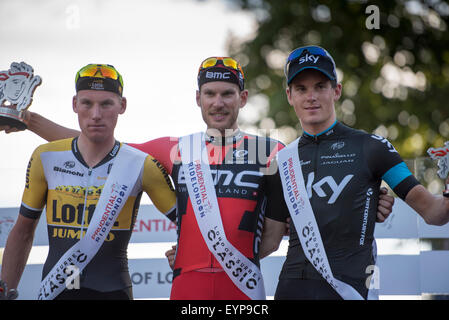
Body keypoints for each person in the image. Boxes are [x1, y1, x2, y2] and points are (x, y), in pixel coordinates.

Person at [0, 57, 394, 300]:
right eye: (210, 93)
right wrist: (27, 119)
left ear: (242, 98)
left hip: (243, 284)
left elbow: (330, 180)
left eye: (227, 93)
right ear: (198, 98)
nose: (218, 102)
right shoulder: (175, 147)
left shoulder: (270, 151)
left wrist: (377, 195)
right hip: (187, 285)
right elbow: (97, 142)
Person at [263, 45, 449, 300]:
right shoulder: (281, 161)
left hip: (349, 289)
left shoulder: (371, 147)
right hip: (292, 289)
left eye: (320, 86)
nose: (311, 96)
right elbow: (270, 240)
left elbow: (435, 213)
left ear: (336, 91)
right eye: (301, 88)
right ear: (289, 95)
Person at [0, 64, 176, 300]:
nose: (96, 114)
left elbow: (191, 224)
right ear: (75, 104)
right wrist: (5, 289)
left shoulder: (141, 165)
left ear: (121, 106)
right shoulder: (46, 156)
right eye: (87, 103)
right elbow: (22, 232)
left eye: (106, 104)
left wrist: (186, 256)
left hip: (113, 293)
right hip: (55, 292)